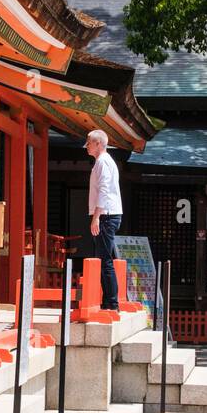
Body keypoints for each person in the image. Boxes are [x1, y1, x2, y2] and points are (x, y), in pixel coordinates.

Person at [84, 129, 122, 310]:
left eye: (89, 142)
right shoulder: (104, 162)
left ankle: (111, 304)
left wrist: (96, 217)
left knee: (105, 260)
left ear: (99, 143)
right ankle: (109, 301)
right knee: (103, 259)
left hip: (106, 215)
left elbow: (104, 190)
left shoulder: (103, 162)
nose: (87, 146)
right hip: (107, 214)